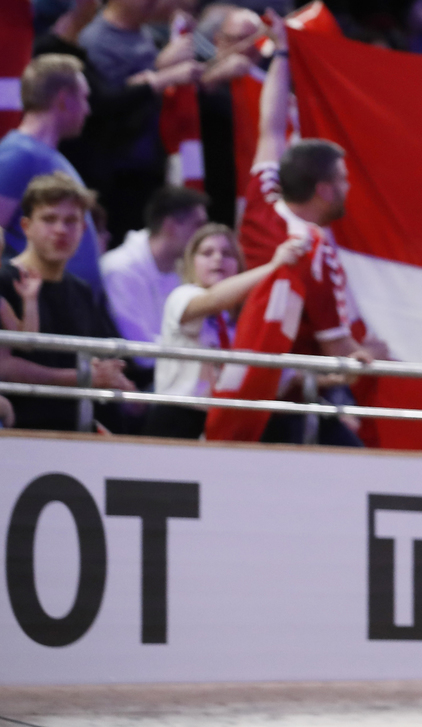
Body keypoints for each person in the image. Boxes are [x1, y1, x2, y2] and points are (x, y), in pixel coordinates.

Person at [207, 14, 377, 445]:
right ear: (323, 190)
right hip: (285, 402)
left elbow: (270, 123)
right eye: (343, 180)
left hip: (241, 382)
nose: (349, 188)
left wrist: (282, 52)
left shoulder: (262, 198)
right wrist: (373, 356)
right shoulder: (313, 251)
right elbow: (340, 355)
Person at [0, 172, 135, 431]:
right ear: (26, 227)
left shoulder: (81, 290)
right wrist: (83, 377)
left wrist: (115, 381)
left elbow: (96, 362)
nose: (61, 230)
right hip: (18, 435)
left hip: (75, 433)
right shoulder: (4, 280)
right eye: (49, 219)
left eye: (71, 221)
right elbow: (3, 367)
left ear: (83, 229)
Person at [145, 224, 305, 439]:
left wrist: (339, 374)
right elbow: (213, 300)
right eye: (207, 253)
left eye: (227, 253)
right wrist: (273, 267)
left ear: (238, 265)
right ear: (192, 262)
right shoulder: (182, 295)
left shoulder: (243, 320)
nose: (218, 259)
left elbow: (285, 377)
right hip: (177, 417)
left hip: (223, 421)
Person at [78, 0, 203, 242]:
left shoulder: (149, 35)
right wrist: (161, 68)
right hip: (116, 171)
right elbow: (105, 105)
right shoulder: (95, 39)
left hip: (151, 163)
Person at [0, 54, 102, 293]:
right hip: (36, 304)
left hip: (68, 302)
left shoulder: (44, 155)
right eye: (84, 98)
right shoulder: (17, 155)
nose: (88, 110)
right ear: (64, 99)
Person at [101, 185, 210, 368]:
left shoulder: (184, 270)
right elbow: (141, 352)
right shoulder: (119, 269)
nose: (204, 236)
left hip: (174, 373)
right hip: (136, 378)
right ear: (170, 226)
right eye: (198, 225)